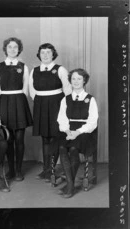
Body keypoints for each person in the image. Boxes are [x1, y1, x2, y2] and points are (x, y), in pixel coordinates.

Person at [29, 43, 72, 182]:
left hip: (57, 104)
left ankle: (52, 169)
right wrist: (42, 101)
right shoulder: (34, 70)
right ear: (39, 55)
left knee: (55, 137)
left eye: (48, 52)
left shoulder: (60, 69)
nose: (45, 55)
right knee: (45, 137)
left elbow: (67, 89)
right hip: (41, 105)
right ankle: (46, 169)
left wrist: (63, 108)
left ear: (53, 54)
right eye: (43, 52)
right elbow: (32, 91)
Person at [0, 37, 33, 181]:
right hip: (4, 102)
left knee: (19, 139)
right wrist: (6, 101)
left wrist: (18, 100)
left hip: (19, 101)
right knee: (8, 138)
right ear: (5, 49)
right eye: (9, 47)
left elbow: (26, 88)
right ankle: (10, 169)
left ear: (19, 49)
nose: (12, 50)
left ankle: (18, 170)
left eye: (15, 47)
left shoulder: (23, 66)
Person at [57, 68, 98, 198]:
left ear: (84, 81)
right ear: (70, 81)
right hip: (68, 128)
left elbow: (92, 122)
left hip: (85, 131)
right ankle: (70, 184)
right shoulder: (65, 99)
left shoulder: (90, 99)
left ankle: (69, 186)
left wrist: (77, 132)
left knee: (74, 148)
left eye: (79, 78)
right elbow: (61, 118)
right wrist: (67, 130)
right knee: (62, 147)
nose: (76, 81)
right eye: (73, 78)